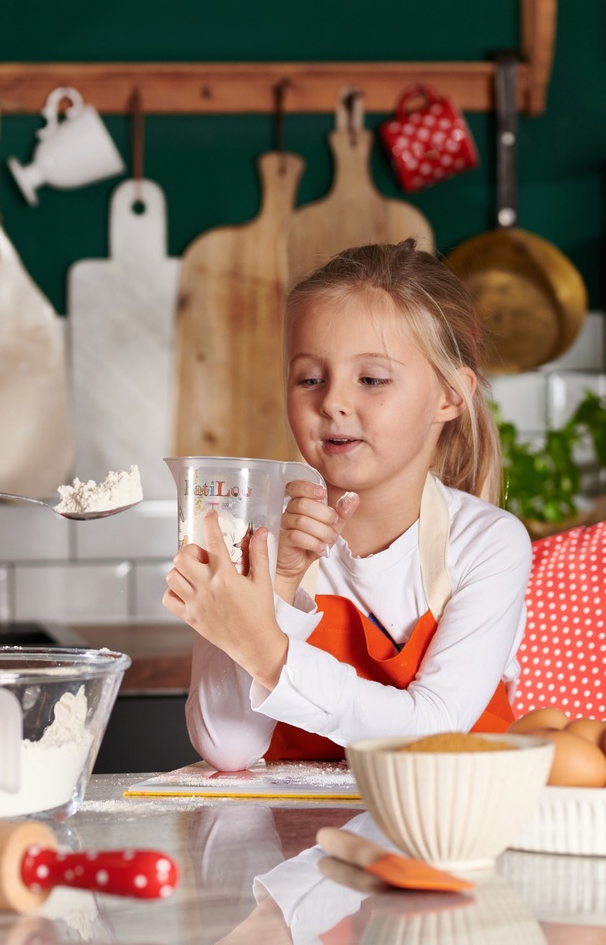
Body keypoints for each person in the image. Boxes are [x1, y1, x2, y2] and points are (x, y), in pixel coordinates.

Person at [164, 239, 531, 770]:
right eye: (309, 378)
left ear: (450, 396)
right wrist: (282, 582)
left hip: (441, 834)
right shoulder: (253, 541)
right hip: (290, 846)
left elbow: (429, 734)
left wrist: (267, 650)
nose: (332, 401)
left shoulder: (486, 544)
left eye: (372, 379)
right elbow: (227, 746)